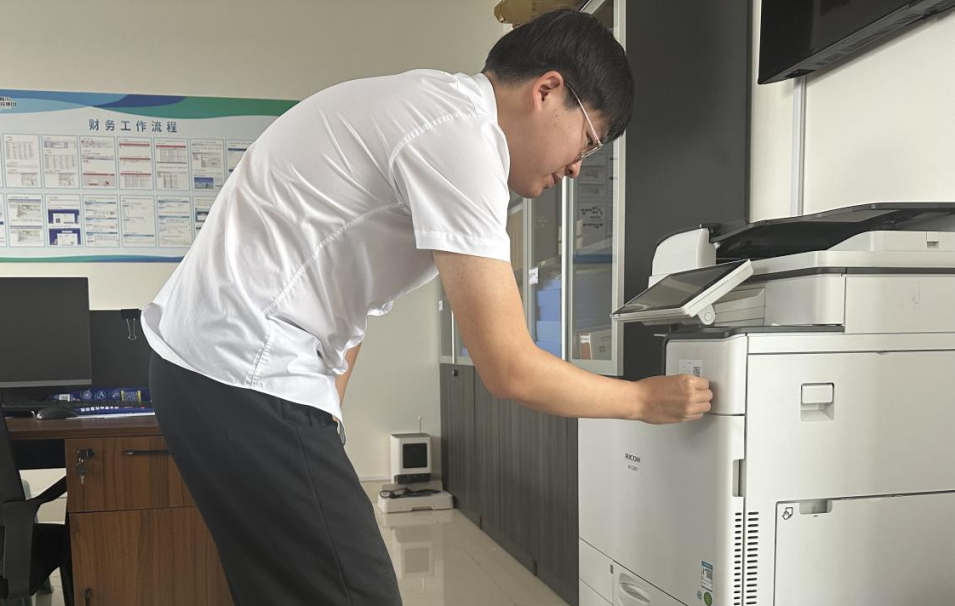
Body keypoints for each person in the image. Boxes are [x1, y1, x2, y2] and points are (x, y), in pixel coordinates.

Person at [142, 9, 712, 605]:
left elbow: (350, 310)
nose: (575, 168)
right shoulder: (463, 139)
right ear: (547, 90)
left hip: (212, 370)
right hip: (242, 372)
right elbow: (510, 368)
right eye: (588, 141)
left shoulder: (435, 109)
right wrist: (643, 400)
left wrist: (326, 426)